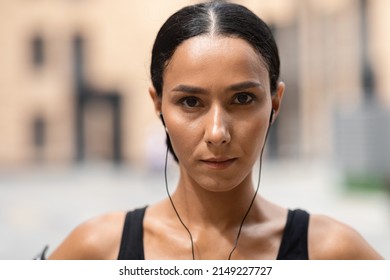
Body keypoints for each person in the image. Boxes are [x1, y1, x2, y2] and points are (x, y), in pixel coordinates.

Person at [47, 1, 383, 260]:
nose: (218, 132)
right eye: (191, 102)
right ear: (158, 103)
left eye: (242, 98)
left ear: (275, 104)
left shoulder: (332, 253)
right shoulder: (96, 251)